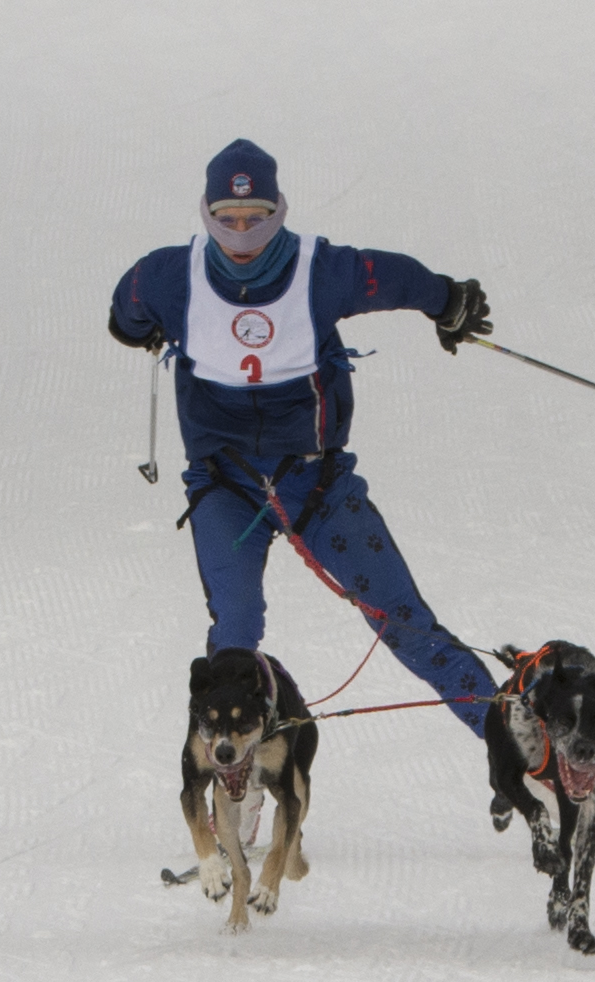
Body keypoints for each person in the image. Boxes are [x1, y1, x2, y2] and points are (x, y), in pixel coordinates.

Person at [109, 139, 496, 732]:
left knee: (406, 622)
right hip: (225, 487)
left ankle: (528, 770)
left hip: (315, 484)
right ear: (208, 215)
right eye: (227, 220)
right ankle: (230, 786)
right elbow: (125, 308)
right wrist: (137, 326)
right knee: (234, 638)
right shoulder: (170, 276)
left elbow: (399, 279)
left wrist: (449, 301)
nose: (241, 235)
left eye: (256, 219)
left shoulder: (323, 272)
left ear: (279, 212)